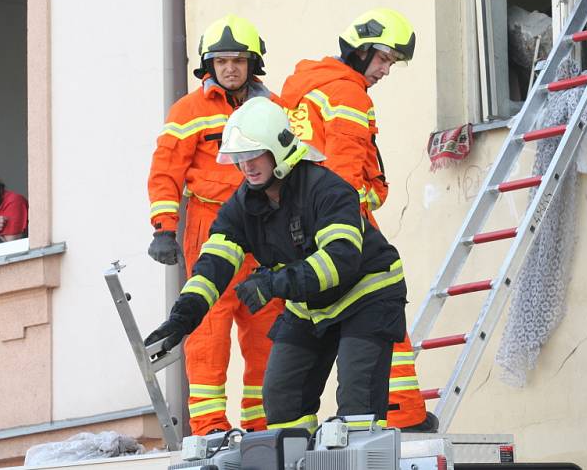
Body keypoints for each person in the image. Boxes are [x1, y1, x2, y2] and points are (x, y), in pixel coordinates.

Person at [145, 97, 408, 432]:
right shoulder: (242, 205)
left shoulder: (327, 189)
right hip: (310, 305)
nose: (247, 166)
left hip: (367, 296)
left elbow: (339, 261)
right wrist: (182, 319)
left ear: (279, 151)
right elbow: (213, 265)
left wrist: (273, 284)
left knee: (357, 408)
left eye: (254, 155)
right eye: (239, 158)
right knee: (282, 399)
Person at [279, 8, 436, 432]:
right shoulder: (348, 94)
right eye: (383, 58)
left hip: (305, 225)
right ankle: (402, 411)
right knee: (380, 307)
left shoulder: (302, 89)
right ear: (361, 49)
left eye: (391, 63)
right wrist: (352, 214)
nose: (386, 70)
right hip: (345, 221)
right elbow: (346, 167)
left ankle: (305, 428)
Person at [146, 14, 284, 435]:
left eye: (238, 60)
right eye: (221, 61)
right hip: (211, 228)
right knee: (209, 329)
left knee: (269, 329)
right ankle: (209, 427)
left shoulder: (273, 107)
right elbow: (166, 168)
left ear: (252, 64)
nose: (229, 68)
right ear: (209, 65)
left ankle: (263, 427)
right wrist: (163, 227)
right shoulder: (189, 110)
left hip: (264, 229)